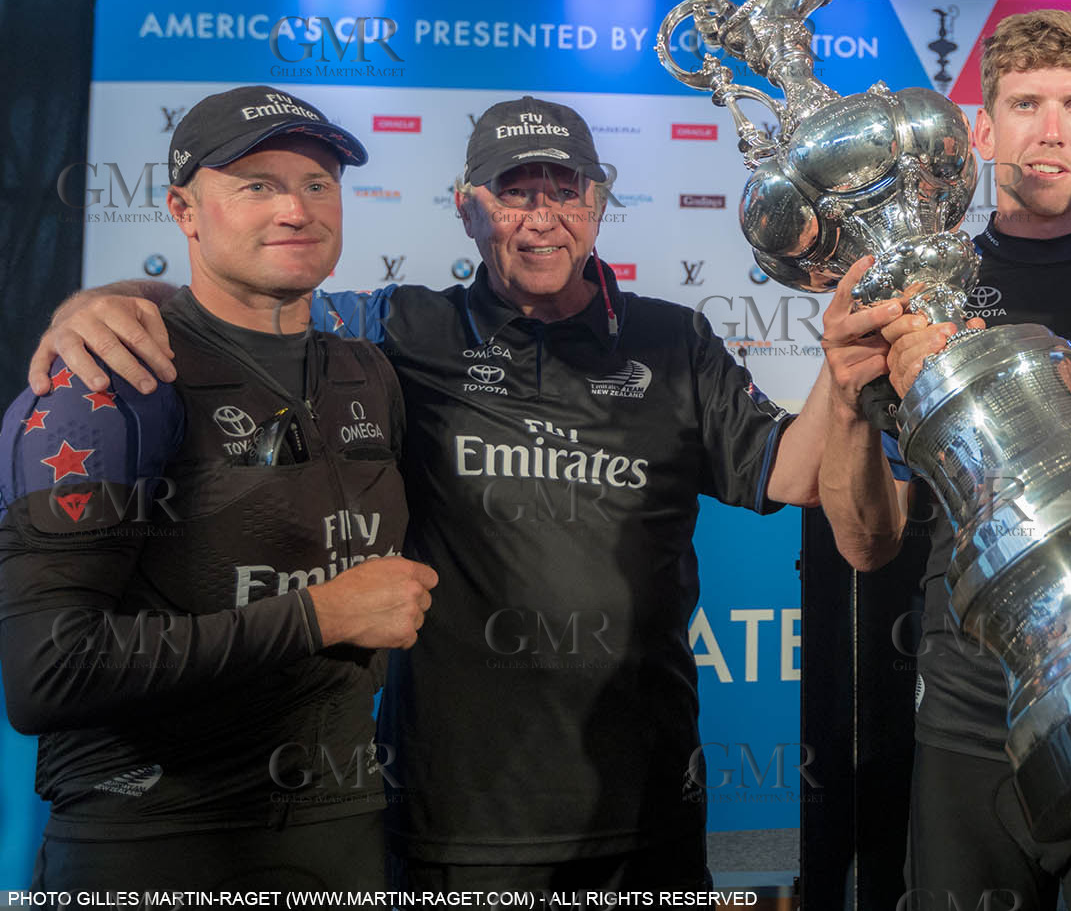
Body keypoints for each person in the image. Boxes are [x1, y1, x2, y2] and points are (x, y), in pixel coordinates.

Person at [29, 95, 900, 890]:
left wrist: (837, 367)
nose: (542, 218)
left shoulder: (675, 339)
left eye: (567, 190)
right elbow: (244, 314)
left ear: (599, 202)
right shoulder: (401, 329)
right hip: (456, 813)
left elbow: (788, 472)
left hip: (644, 794)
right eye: (515, 193)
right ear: (467, 206)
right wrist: (104, 305)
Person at [820, 10, 1071, 910]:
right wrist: (848, 397)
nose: (1051, 129)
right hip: (973, 708)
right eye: (1025, 103)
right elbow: (864, 541)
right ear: (981, 130)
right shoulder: (915, 290)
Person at [0, 85, 437, 890]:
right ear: (184, 210)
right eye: (257, 185)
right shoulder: (106, 384)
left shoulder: (368, 368)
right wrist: (324, 612)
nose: (296, 209)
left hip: (340, 830)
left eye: (317, 183)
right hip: (155, 839)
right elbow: (48, 671)